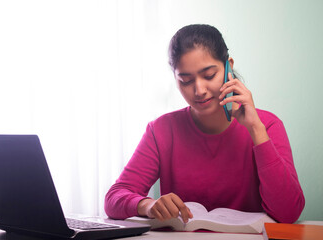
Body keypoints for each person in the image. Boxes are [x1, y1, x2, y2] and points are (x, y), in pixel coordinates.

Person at [104, 24, 305, 224]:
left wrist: (256, 130)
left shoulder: (267, 125)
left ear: (229, 67)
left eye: (209, 76)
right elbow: (114, 198)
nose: (199, 90)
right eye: (185, 80)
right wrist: (147, 205)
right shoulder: (162, 130)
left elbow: (288, 213)